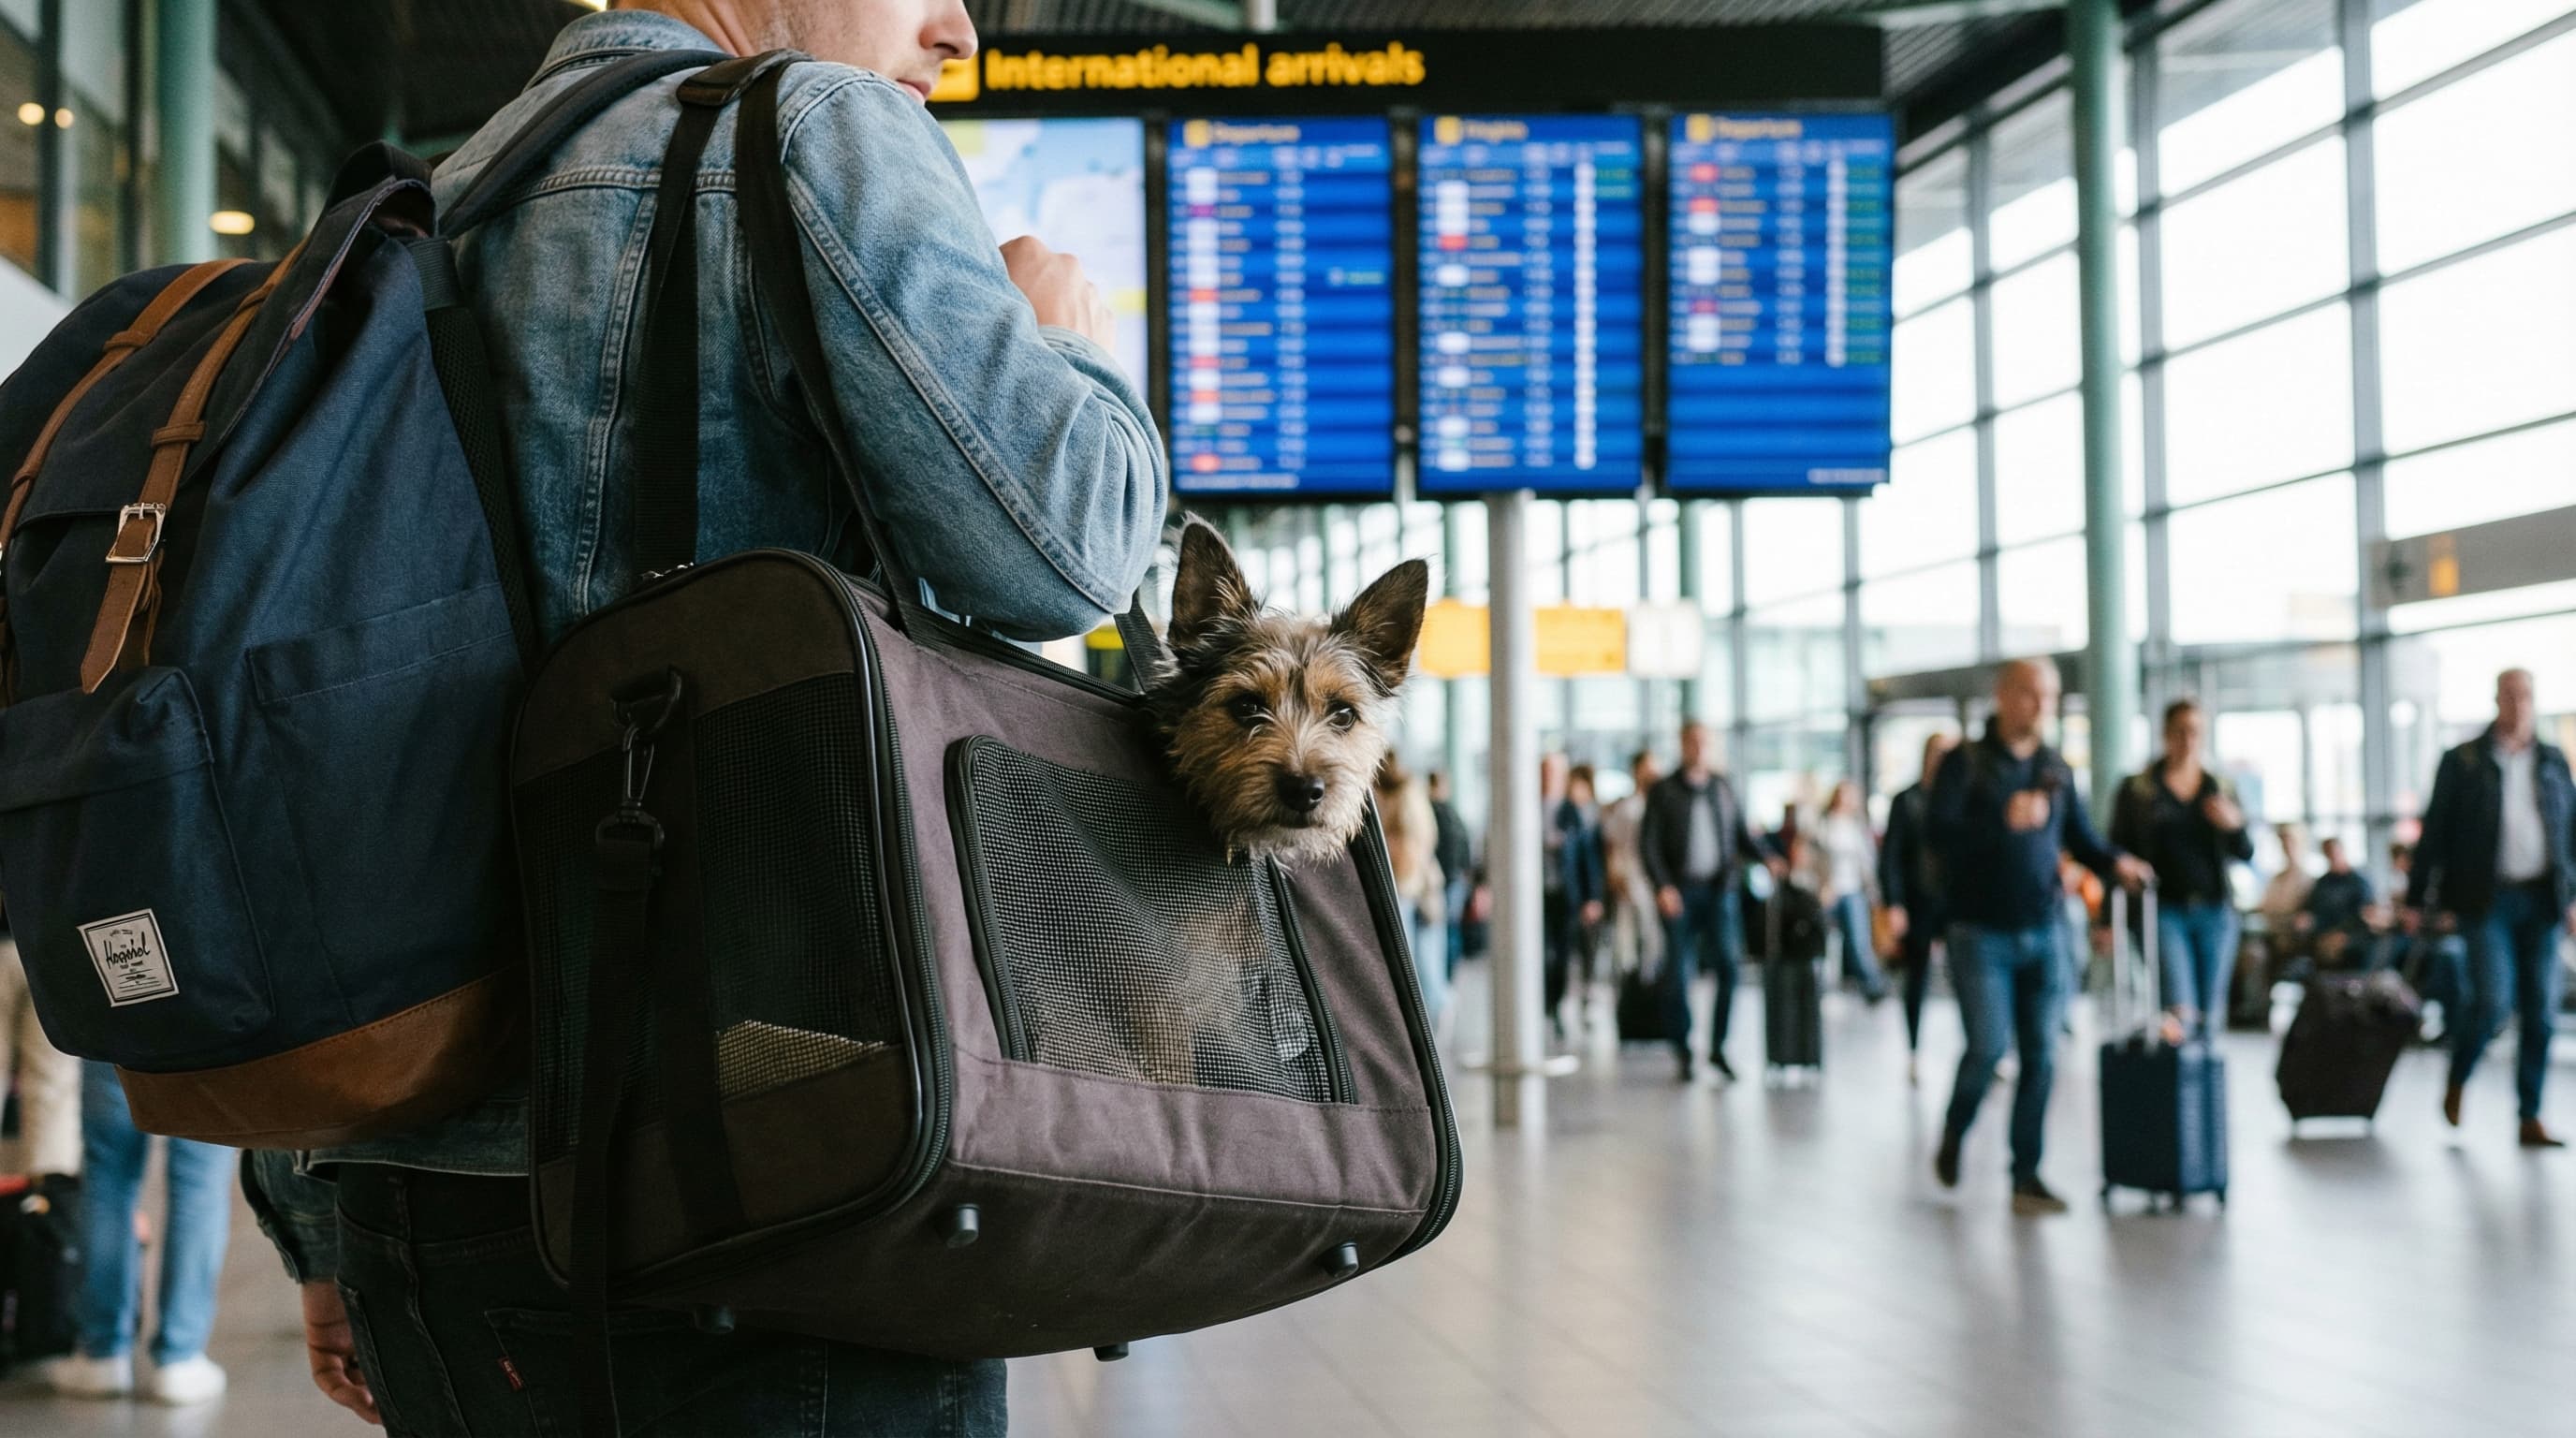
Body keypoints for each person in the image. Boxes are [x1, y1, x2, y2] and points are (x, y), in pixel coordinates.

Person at [241, 2, 1165, 1431]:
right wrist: (1069, 346)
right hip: (762, 1176)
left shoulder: (426, 202)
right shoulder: (809, 127)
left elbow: (324, 731)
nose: (960, 30)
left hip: (418, 1195)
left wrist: (314, 1213)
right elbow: (1061, 556)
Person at [1928, 659, 2153, 1214]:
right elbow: (1937, 835)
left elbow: (2077, 833)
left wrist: (2116, 862)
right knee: (1986, 1047)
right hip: (1980, 931)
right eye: (2031, 693)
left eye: (2050, 695)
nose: (2042, 705)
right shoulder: (1966, 763)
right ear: (2005, 696)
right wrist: (1999, 821)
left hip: (2045, 928)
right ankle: (1957, 1130)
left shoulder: (2053, 767)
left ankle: (2025, 1172)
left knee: (2042, 1057)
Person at [2404, 668, 2575, 1149]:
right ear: (2496, 700)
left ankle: (2530, 1115)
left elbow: (2572, 831)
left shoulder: (2553, 759)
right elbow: (2434, 830)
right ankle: (2459, 1074)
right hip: (2486, 900)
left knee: (2541, 1011)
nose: (2519, 704)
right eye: (2510, 695)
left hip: (2542, 899)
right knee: (2493, 1002)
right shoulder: (2464, 761)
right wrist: (2418, 899)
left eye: (2527, 696)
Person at [47, 1063, 232, 1405]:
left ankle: (102, 1353)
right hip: (213, 1024)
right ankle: (181, 1357)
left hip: (113, 1017)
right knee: (199, 1182)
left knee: (107, 1175)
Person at [1641, 721, 1780, 1082]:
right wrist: (1662, 886)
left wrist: (1768, 857)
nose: (1700, 748)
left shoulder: (1722, 787)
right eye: (1693, 742)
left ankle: (1719, 1047)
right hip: (1680, 892)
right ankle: (1683, 1048)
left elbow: (1739, 835)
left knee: (1729, 967)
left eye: (1705, 742)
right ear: (1683, 745)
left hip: (1720, 891)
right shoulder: (1664, 791)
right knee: (1679, 972)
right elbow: (1650, 844)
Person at [2109, 699, 2254, 1037]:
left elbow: (2245, 852)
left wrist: (2234, 825)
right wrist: (2106, 918)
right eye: (2181, 731)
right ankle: (2177, 1084)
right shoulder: (2139, 790)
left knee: (2210, 1013)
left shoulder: (2220, 788)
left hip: (2215, 911)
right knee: (2180, 1010)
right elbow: (2116, 852)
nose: (2188, 740)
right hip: (2162, 910)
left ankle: (2201, 1089)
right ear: (2166, 734)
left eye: (2195, 732)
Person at [1880, 733, 1956, 1082]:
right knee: (1918, 976)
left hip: (1956, 903)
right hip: (1920, 900)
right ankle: (1914, 1051)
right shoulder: (1906, 800)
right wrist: (1894, 903)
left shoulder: (1962, 798)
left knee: (1969, 975)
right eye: (1938, 752)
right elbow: (1891, 856)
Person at [0, 911, 80, 1186]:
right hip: (53, 939)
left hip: (35, 944)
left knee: (52, 1088)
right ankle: (48, 1211)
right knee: (52, 1092)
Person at [1378, 758, 1449, 1034]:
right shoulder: (1408, 793)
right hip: (1412, 885)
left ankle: (1428, 1021)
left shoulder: (1403, 795)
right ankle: (1427, 1020)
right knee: (1420, 956)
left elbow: (1412, 840)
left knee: (1417, 958)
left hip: (1408, 886)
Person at [1806, 779, 1891, 1005]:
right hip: (1829, 891)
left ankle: (1873, 987)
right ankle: (1817, 987)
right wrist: (1821, 885)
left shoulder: (1857, 827)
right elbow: (1812, 859)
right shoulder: (1823, 824)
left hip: (1853, 890)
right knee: (1822, 941)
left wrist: (1874, 893)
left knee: (1858, 941)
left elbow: (1867, 864)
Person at [1544, 760, 1608, 1040]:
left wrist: (1592, 896)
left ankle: (1556, 1005)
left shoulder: (1572, 812)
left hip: (1564, 893)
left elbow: (1587, 857)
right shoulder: (1524, 806)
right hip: (1536, 895)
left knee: (1562, 954)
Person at [1601, 751, 1665, 990]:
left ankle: (1650, 982)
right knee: (1628, 932)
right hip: (1632, 875)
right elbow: (1613, 846)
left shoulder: (1659, 804)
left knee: (1652, 933)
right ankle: (1631, 984)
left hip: (1653, 878)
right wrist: (1615, 874)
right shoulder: (1627, 807)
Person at [2299, 837, 2377, 968]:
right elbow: (2312, 909)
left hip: (2351, 934)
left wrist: (2344, 934)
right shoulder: (2322, 883)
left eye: (2334, 852)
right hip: (2323, 932)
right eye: (2328, 853)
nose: (2332, 857)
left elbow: (2364, 916)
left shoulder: (2359, 883)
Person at [1427, 770, 1474, 981]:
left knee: (1446, 930)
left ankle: (1447, 975)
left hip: (1448, 880)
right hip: (1453, 878)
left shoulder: (1438, 812)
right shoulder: (1449, 813)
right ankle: (1448, 976)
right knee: (1449, 929)